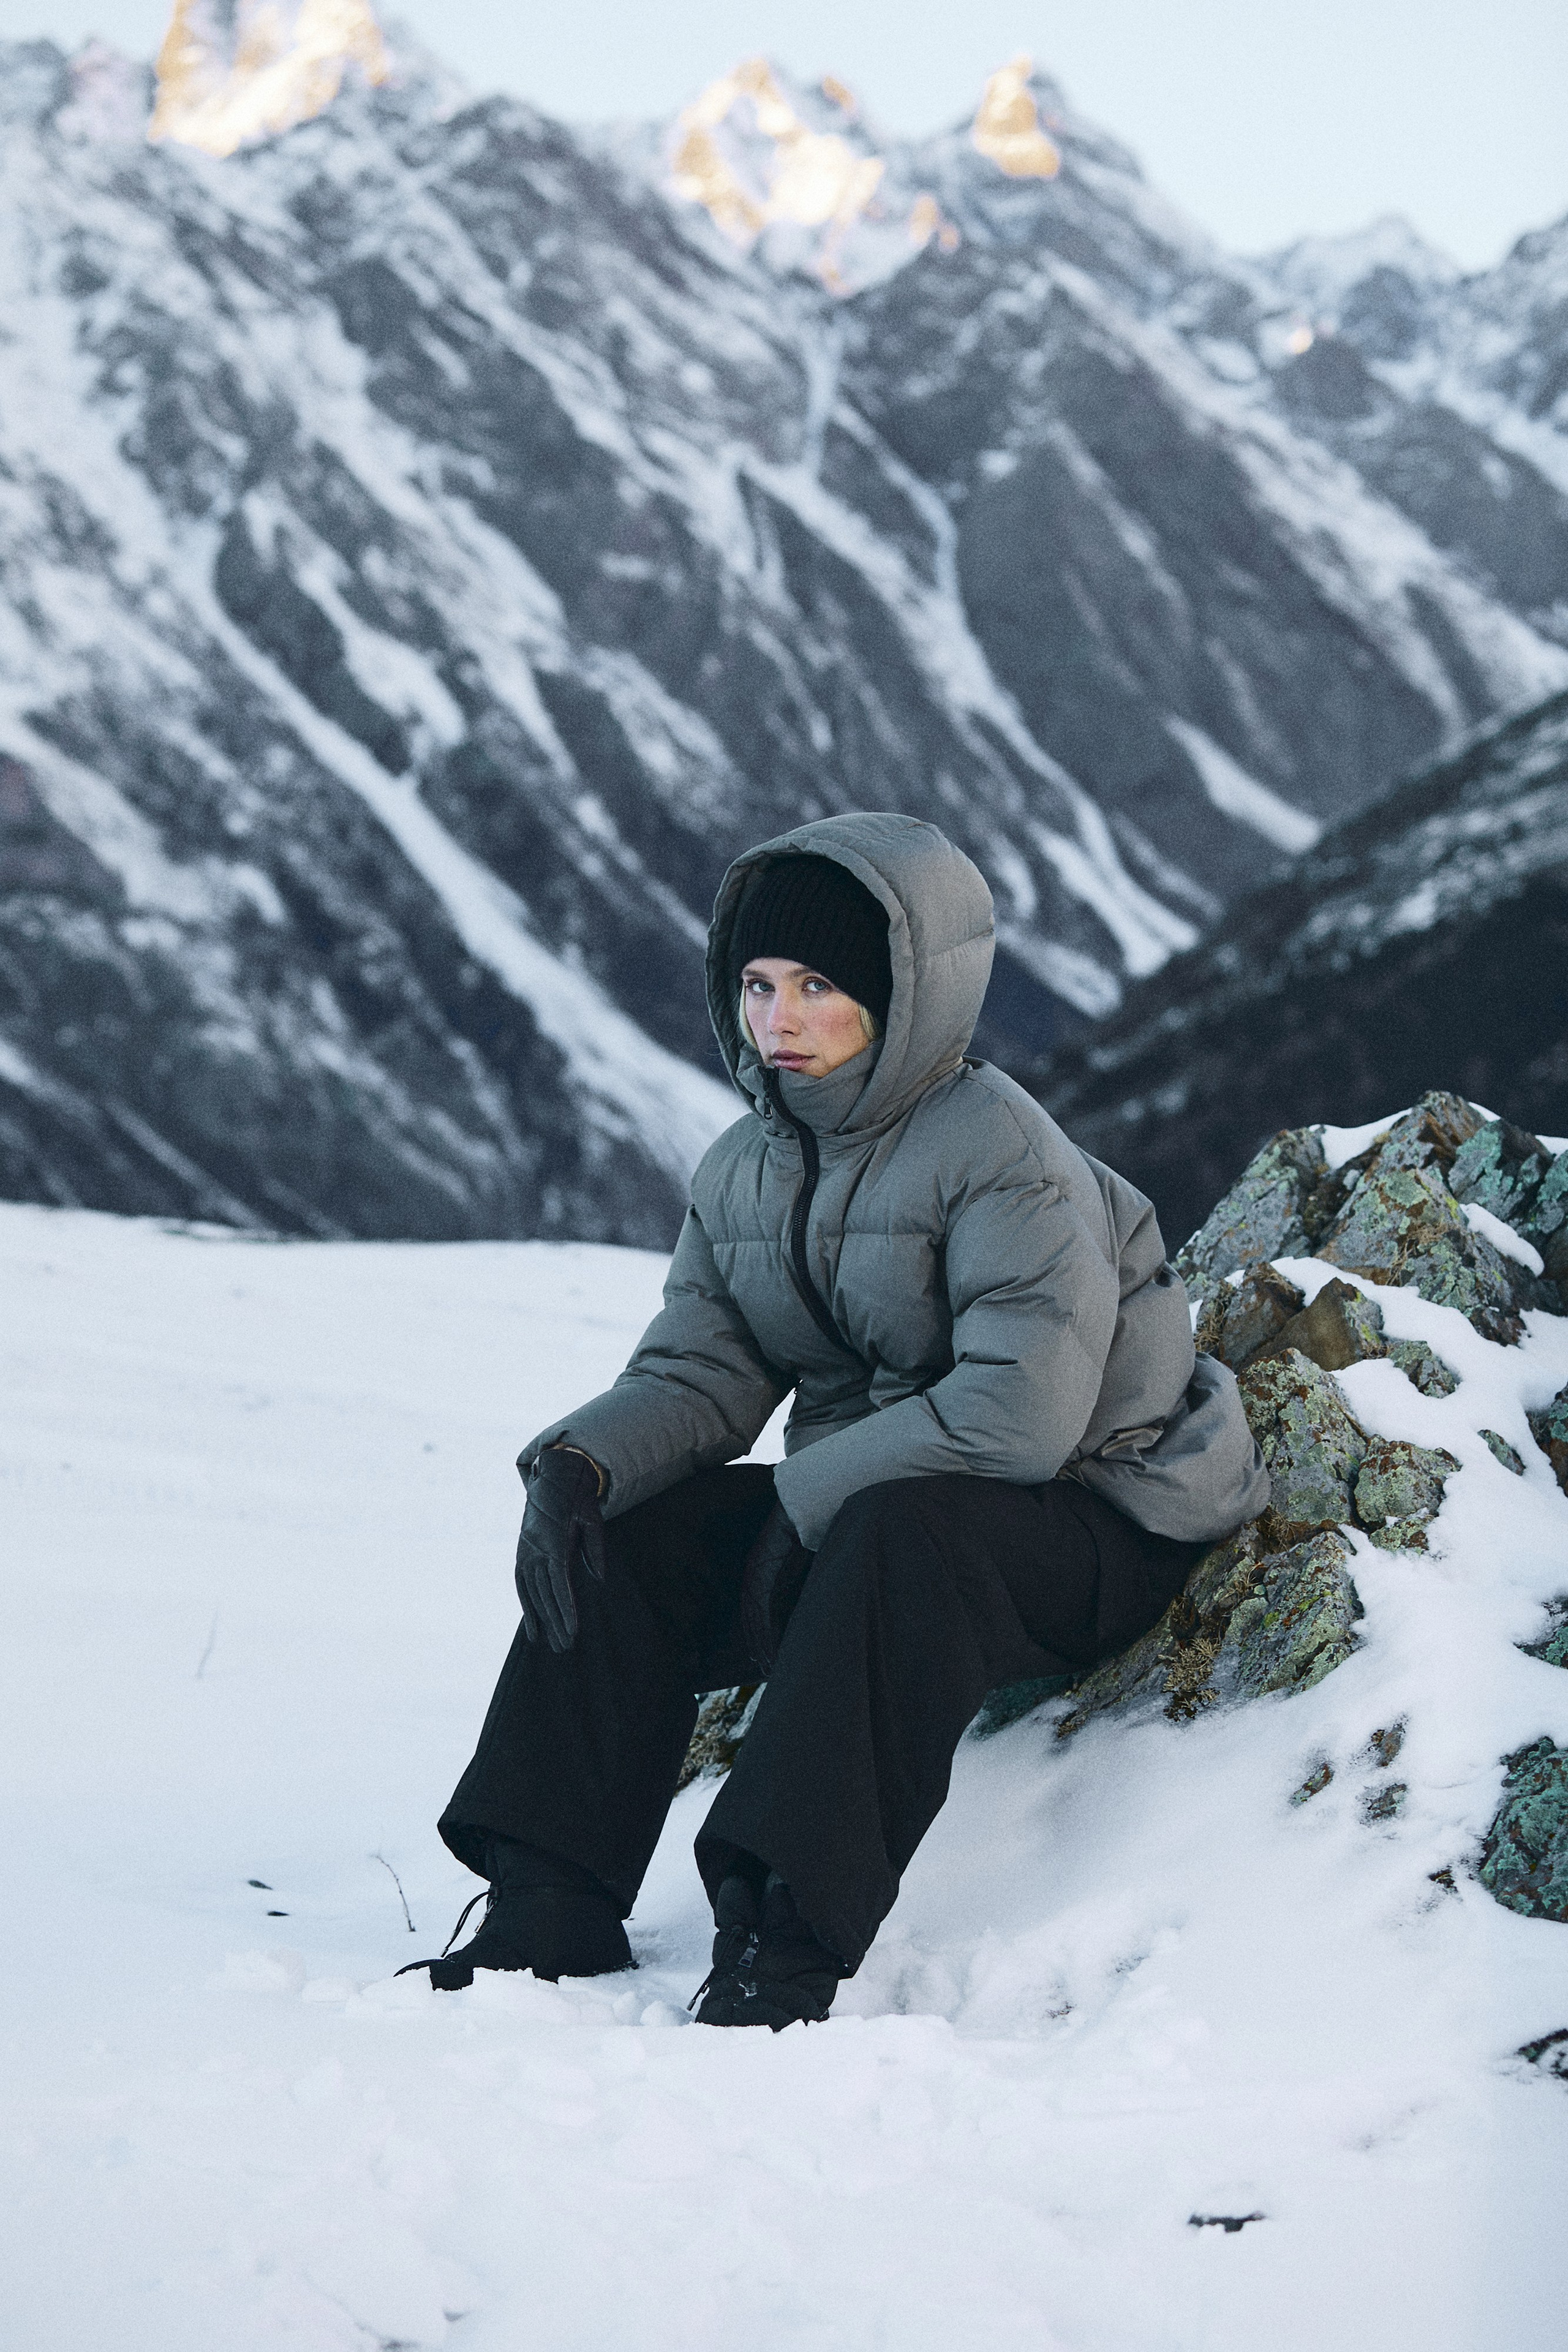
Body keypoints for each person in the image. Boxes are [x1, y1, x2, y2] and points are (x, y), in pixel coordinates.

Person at [407, 813, 1268, 2026]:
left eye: (819, 986)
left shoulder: (1002, 1155)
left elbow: (1019, 1416)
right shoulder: (744, 1167)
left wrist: (807, 1503)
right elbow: (704, 1371)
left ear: (904, 994)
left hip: (1099, 1520)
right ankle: (549, 1898)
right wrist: (579, 1467)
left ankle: (783, 1938)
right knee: (631, 1528)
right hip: (884, 1517)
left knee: (895, 1536)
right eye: (758, 985)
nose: (779, 1018)